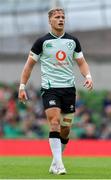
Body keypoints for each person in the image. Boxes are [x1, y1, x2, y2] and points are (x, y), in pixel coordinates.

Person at [18, 8, 93, 175]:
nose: (61, 19)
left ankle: (55, 162)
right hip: (50, 88)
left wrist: (88, 76)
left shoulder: (73, 41)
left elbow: (81, 62)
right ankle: (59, 165)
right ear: (50, 21)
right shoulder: (42, 42)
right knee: (54, 122)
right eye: (57, 17)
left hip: (69, 89)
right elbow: (29, 65)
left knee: (66, 129)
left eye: (63, 17)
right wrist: (22, 86)